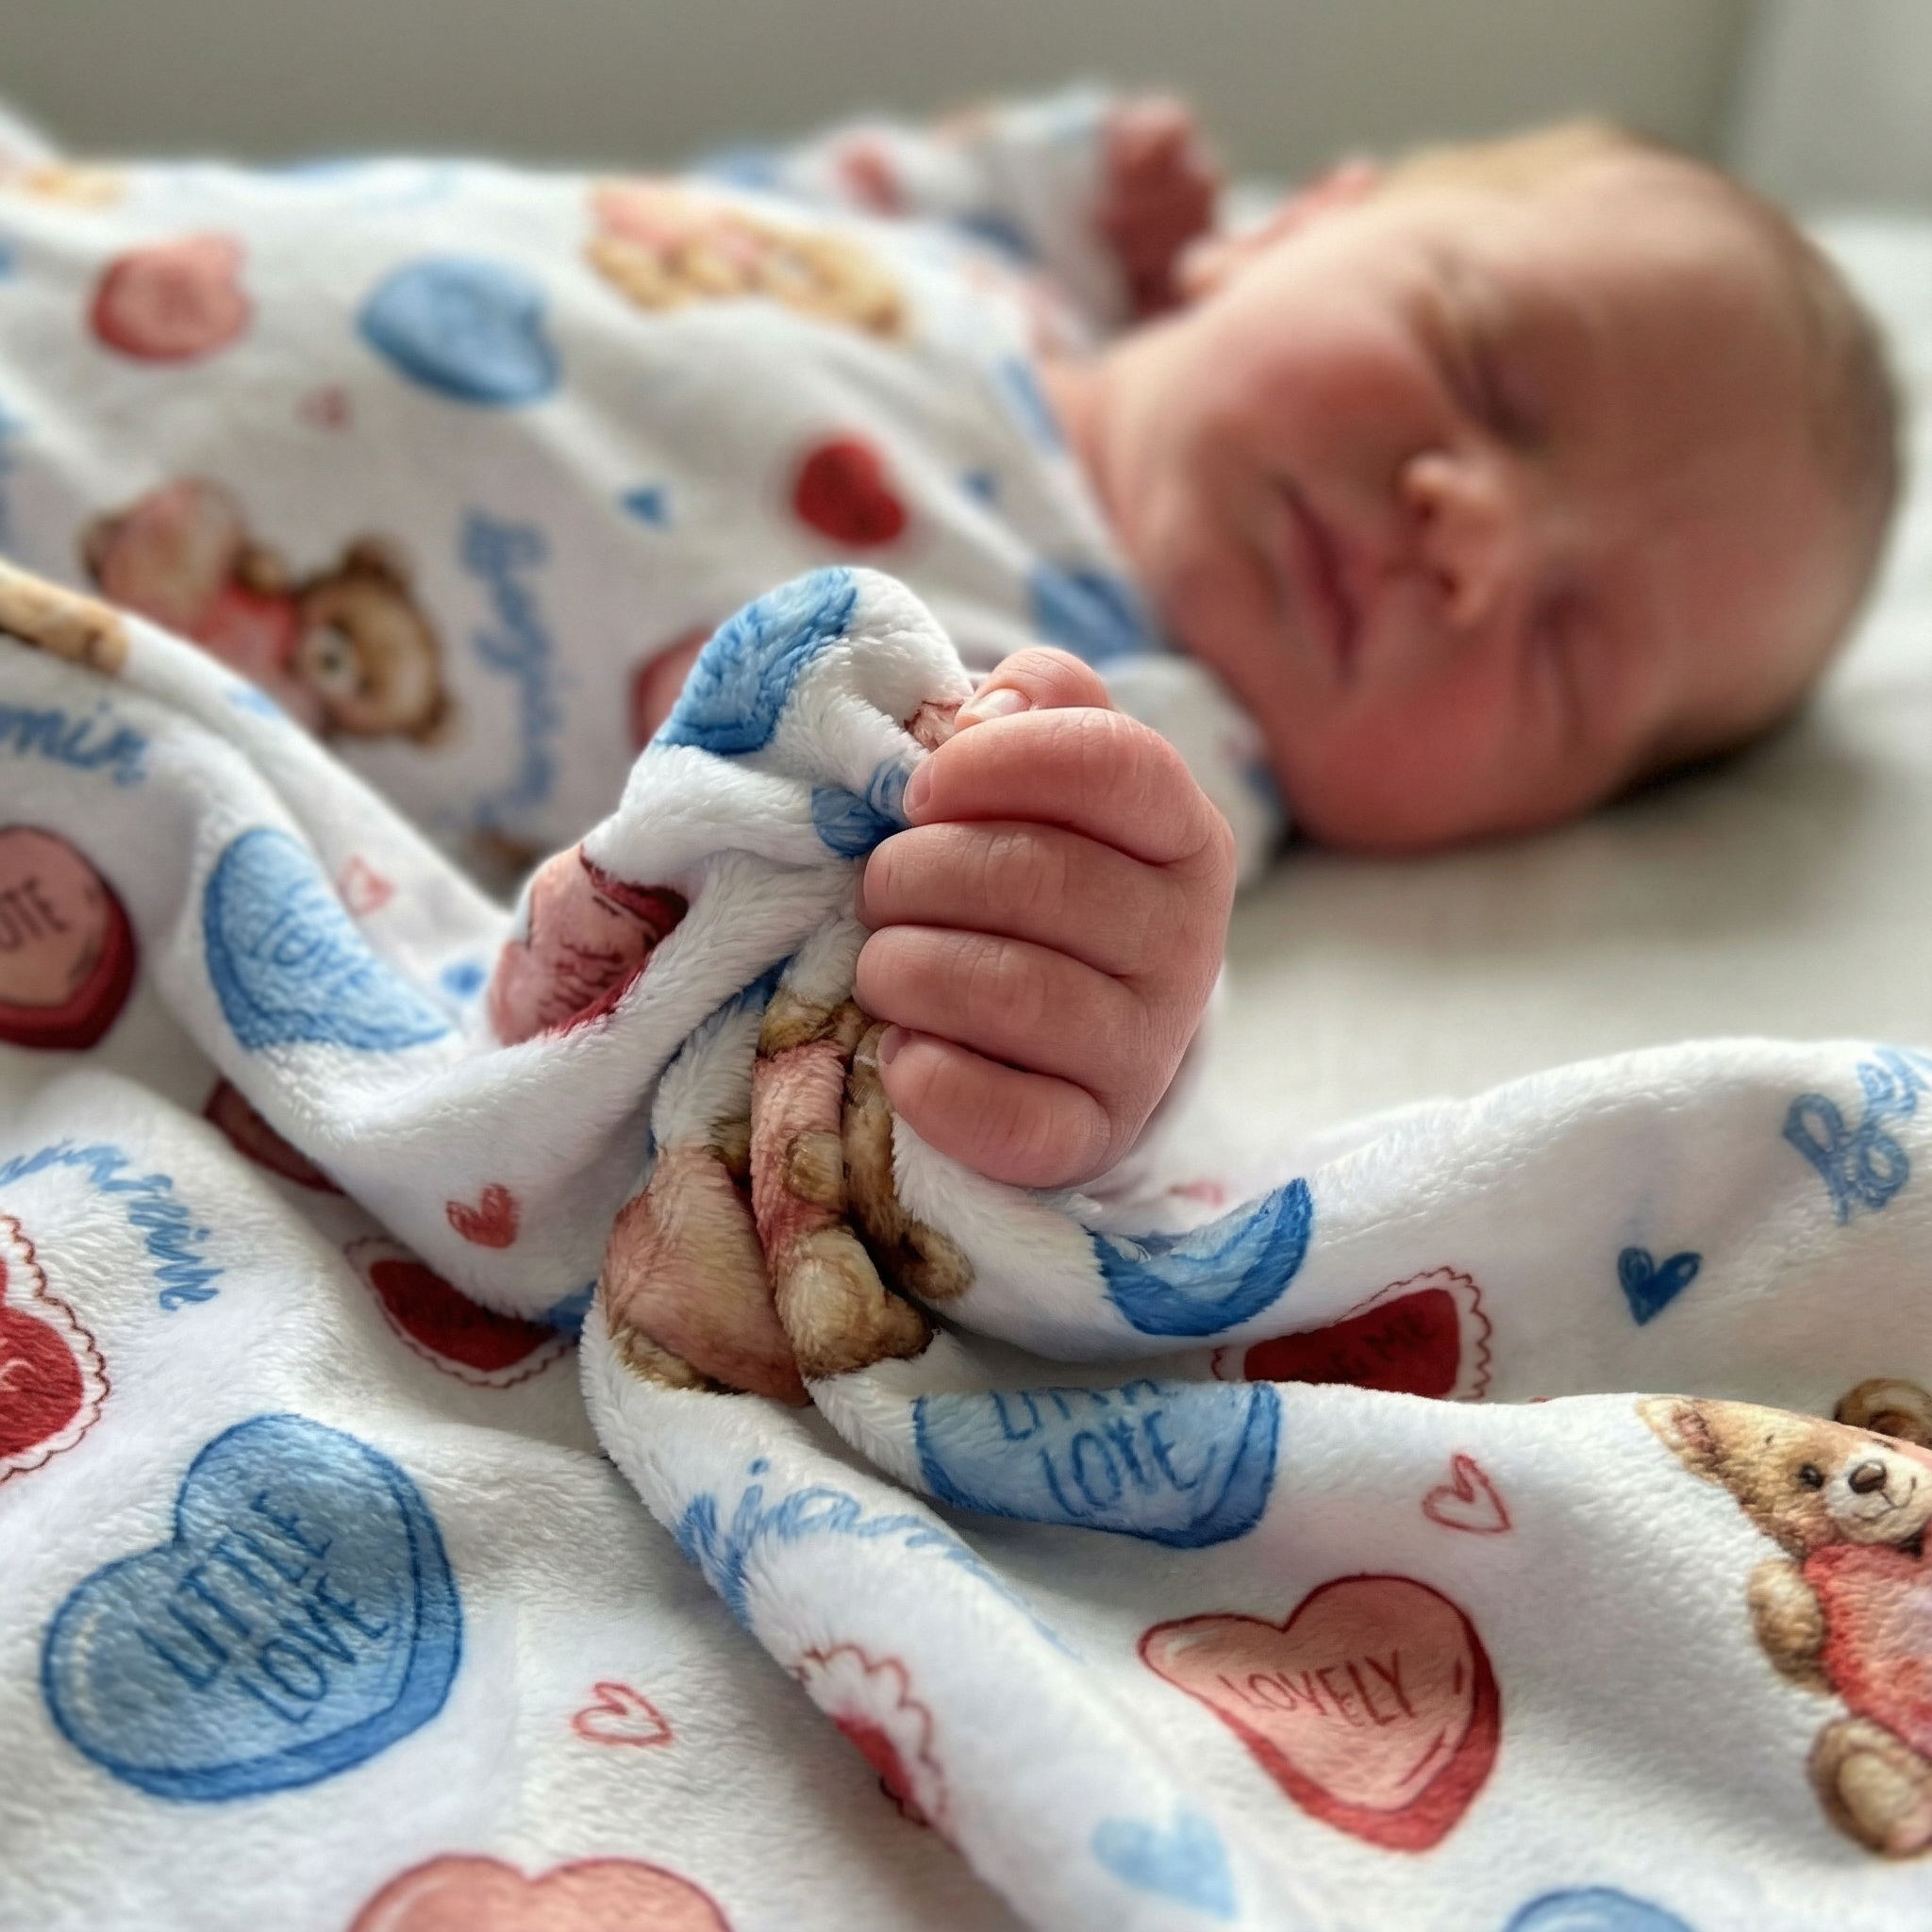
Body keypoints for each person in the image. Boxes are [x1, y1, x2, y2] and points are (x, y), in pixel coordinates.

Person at [0, 93, 1899, 1192]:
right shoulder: (998, 271)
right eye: (1483, 365)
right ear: (1286, 228)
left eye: (1565, 653)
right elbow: (773, 204)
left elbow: (1016, 982)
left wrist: (1100, 996)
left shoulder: (1108, 725)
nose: (1474, 541)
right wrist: (1064, 177)